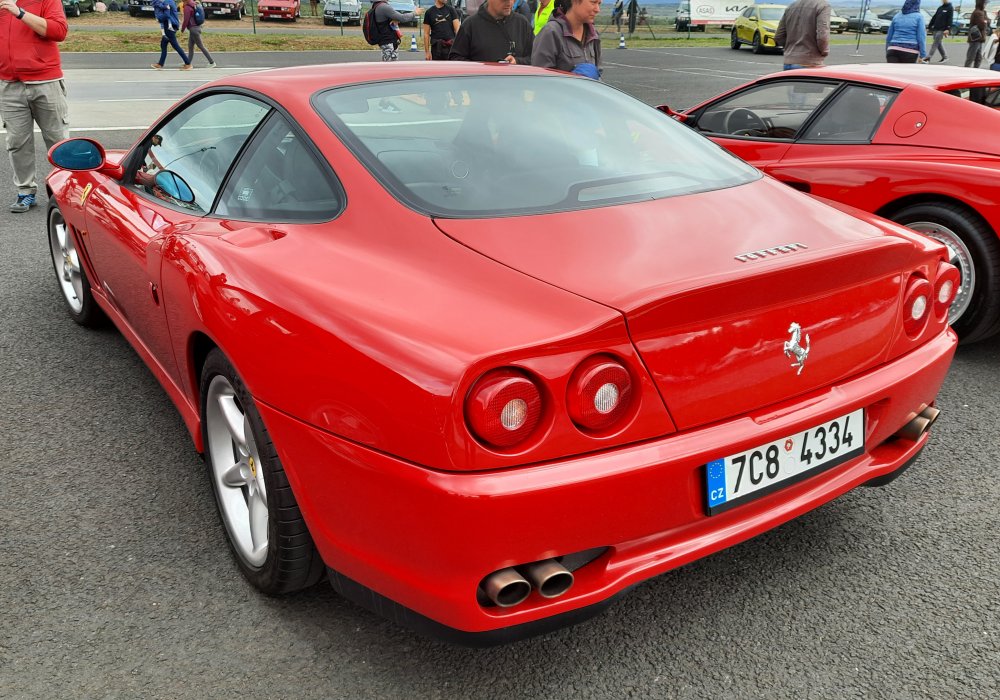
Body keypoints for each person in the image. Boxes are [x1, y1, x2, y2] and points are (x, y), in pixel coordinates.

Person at [0, 0, 69, 213]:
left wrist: (19, 12)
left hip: (45, 81)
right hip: (9, 84)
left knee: (57, 140)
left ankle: (66, 190)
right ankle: (25, 191)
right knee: (17, 142)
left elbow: (59, 31)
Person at [531, 0, 601, 76]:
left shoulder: (593, 35)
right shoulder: (551, 33)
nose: (597, 9)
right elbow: (540, 78)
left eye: (599, 4)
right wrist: (571, 79)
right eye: (593, 2)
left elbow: (599, 73)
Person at [449, 0, 533, 62]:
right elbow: (455, 59)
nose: (509, 3)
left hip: (515, 80)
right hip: (481, 80)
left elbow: (534, 58)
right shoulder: (470, 25)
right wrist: (481, 68)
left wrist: (517, 61)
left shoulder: (522, 24)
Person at [773, 0, 830, 70]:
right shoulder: (822, 5)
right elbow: (822, 36)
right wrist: (824, 51)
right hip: (810, 61)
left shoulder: (791, 6)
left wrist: (790, 48)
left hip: (789, 61)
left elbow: (779, 36)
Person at [151, 0, 192, 70]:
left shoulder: (167, 2)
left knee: (175, 46)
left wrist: (159, 19)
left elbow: (166, 15)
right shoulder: (171, 1)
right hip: (172, 25)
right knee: (163, 44)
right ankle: (160, 64)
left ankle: (188, 64)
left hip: (169, 26)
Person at [181, 0, 216, 67]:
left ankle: (212, 62)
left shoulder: (187, 7)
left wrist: (182, 29)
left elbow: (186, 19)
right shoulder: (193, 4)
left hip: (193, 29)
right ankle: (188, 63)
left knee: (201, 46)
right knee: (190, 46)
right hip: (196, 28)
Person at [967, 0, 988, 67]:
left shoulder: (980, 12)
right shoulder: (978, 13)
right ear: (981, 3)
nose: (985, 5)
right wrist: (985, 21)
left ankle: (974, 70)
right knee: (971, 57)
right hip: (976, 38)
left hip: (978, 38)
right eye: (985, 3)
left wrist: (985, 20)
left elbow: (986, 21)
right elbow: (982, 25)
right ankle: (966, 70)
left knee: (978, 58)